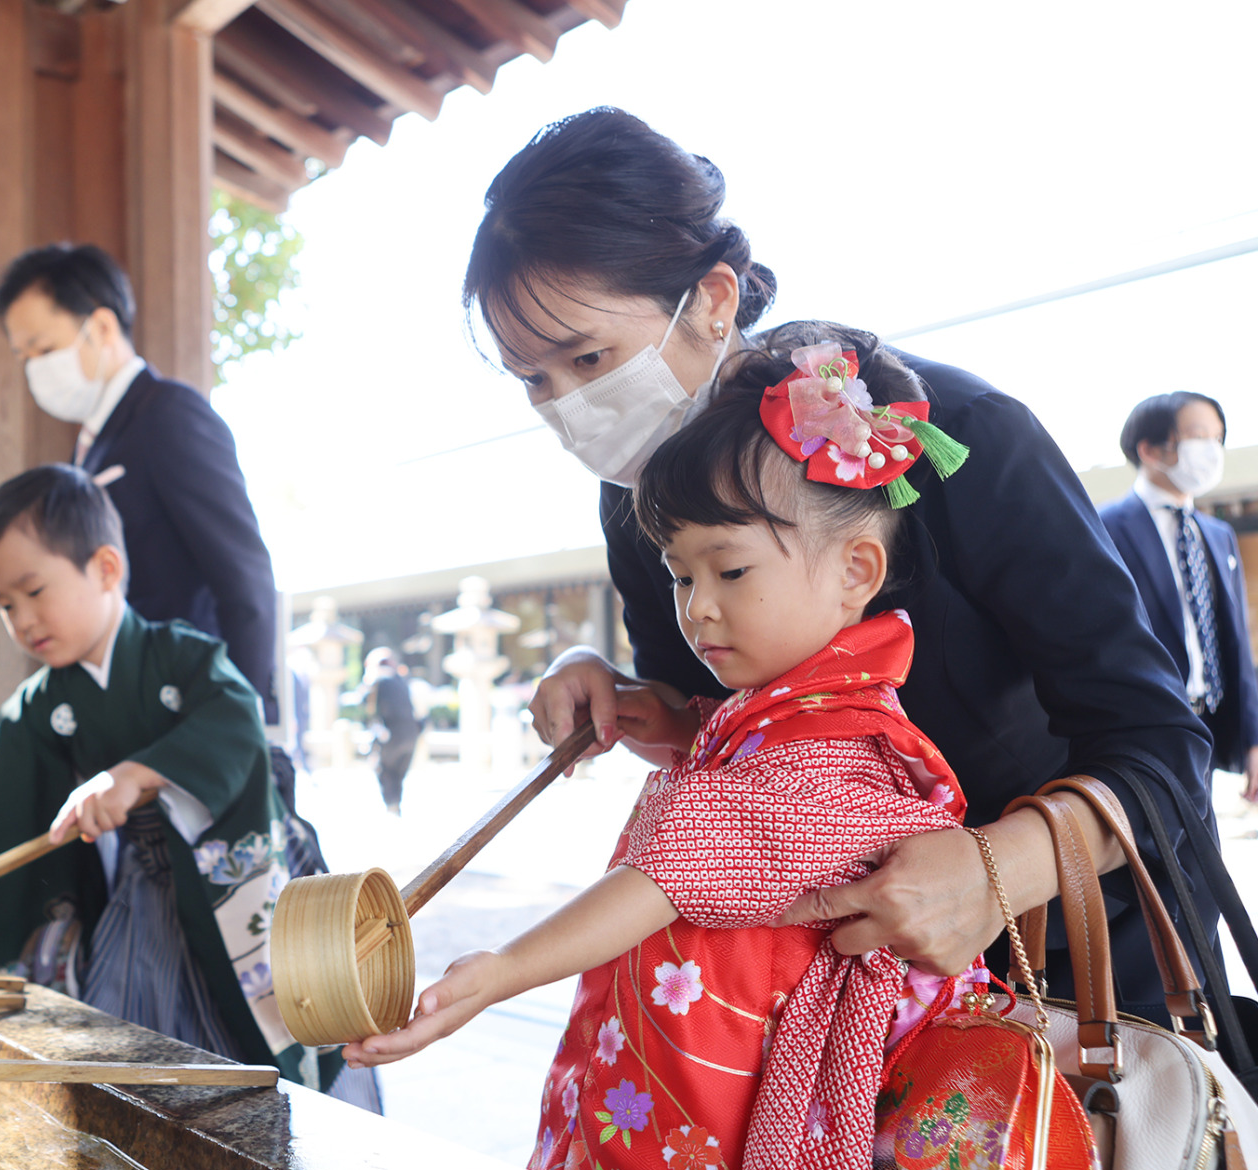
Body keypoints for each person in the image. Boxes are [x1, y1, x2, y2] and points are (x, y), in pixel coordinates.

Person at [472, 108, 1215, 1017]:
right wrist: (625, 697)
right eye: (533, 380)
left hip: (1074, 976)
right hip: (848, 1009)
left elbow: (1160, 747)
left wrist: (993, 870)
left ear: (712, 299)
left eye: (588, 356)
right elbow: (728, 732)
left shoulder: (957, 440)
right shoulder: (636, 503)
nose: (568, 406)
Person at [347, 339, 986, 1170]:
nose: (698, 610)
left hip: (717, 1101)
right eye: (683, 576)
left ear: (856, 570)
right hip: (693, 1067)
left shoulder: (834, 750)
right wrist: (671, 716)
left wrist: (499, 972)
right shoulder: (796, 714)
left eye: (729, 572)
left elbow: (665, 877)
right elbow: (729, 775)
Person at [0, 465, 375, 1109]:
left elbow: (233, 723)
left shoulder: (182, 657)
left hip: (232, 884)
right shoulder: (47, 700)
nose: (23, 619)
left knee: (273, 1047)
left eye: (35, 590)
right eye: (6, 604)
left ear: (104, 568)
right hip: (141, 901)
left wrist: (136, 775)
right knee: (132, 1056)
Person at [0, 244, 280, 726]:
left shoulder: (169, 415)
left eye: (43, 349)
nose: (34, 369)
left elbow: (245, 580)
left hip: (191, 714)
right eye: (24, 356)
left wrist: (238, 727)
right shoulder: (89, 447)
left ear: (101, 327)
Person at [1099, 392, 1258, 799]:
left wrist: (1253, 738)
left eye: (1217, 438)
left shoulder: (1217, 533)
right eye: (1198, 436)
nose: (1212, 449)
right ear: (1151, 449)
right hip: (1145, 727)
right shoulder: (1104, 528)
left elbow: (1237, 641)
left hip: (1211, 718)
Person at [357, 648, 421, 814]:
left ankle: (392, 806)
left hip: (390, 736)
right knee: (398, 774)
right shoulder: (402, 680)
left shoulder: (378, 680)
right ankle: (395, 805)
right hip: (410, 735)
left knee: (385, 771)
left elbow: (364, 702)